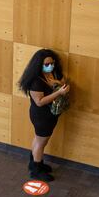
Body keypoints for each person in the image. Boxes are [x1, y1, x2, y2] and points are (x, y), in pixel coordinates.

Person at [17, 49, 69, 182]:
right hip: (41, 116)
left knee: (39, 139)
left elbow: (63, 81)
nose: (49, 66)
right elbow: (39, 102)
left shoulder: (53, 73)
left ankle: (34, 162)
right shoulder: (36, 81)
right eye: (46, 64)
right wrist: (58, 93)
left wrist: (59, 84)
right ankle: (36, 170)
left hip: (50, 115)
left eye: (51, 63)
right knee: (41, 142)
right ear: (39, 65)